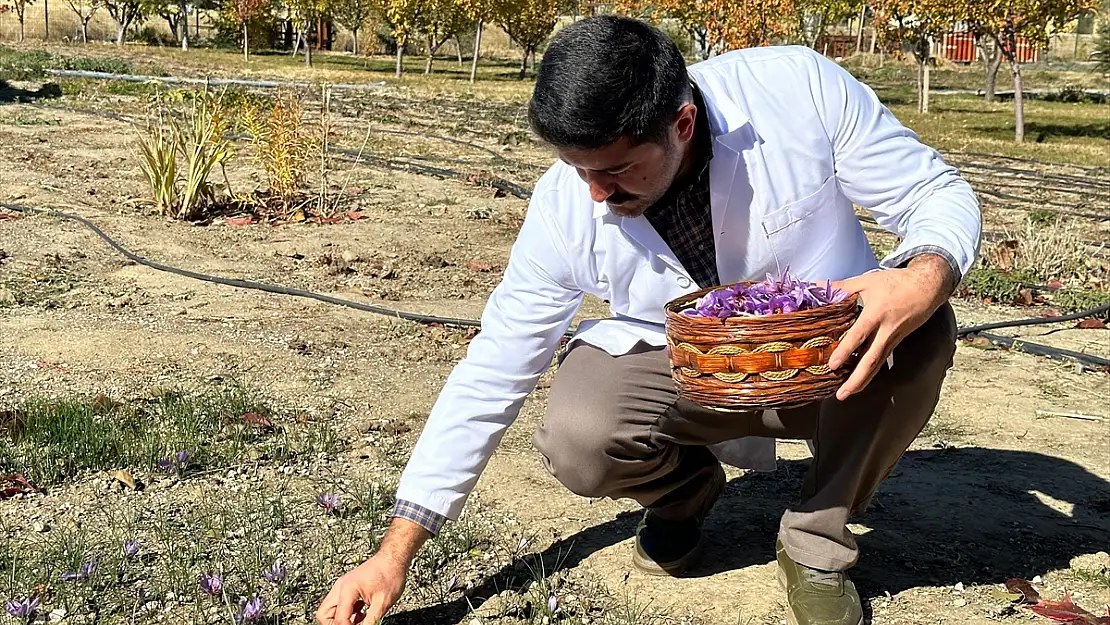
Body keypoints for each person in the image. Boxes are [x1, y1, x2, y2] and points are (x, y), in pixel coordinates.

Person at [315, 15, 981, 625]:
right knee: (580, 430)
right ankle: (684, 494)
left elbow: (934, 193)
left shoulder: (797, 88)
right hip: (691, 378)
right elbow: (495, 366)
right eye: (578, 170)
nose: (595, 194)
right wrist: (395, 551)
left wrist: (921, 275)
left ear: (682, 124)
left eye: (614, 171)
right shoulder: (566, 204)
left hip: (823, 361)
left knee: (923, 329)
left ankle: (814, 538)